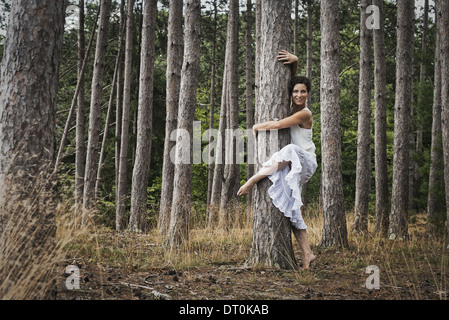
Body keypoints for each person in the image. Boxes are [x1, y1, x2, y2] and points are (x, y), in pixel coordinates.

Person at [237, 50, 317, 269]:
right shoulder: (292, 106)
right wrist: (295, 64)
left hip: (305, 161)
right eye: (296, 92)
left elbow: (278, 125)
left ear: (308, 94)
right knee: (290, 206)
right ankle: (307, 254)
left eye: (303, 92)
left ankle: (253, 180)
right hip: (293, 165)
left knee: (289, 148)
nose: (299, 95)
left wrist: (256, 126)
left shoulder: (305, 114)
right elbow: (288, 84)